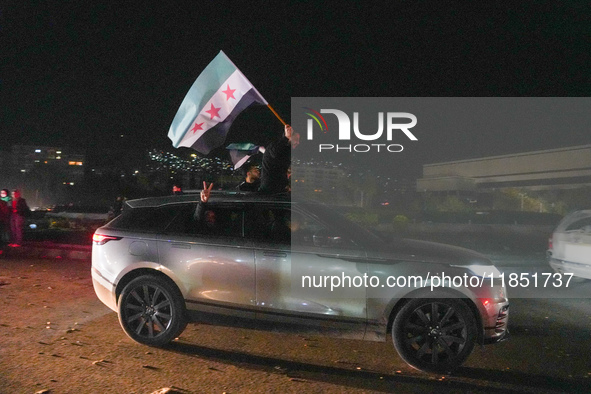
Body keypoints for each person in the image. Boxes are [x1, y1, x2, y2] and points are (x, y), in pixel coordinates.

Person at [259, 124, 300, 194]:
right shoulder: (274, 146)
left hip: (278, 189)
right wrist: (286, 138)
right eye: (297, 139)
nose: (298, 142)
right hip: (269, 191)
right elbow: (276, 153)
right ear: (289, 137)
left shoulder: (286, 150)